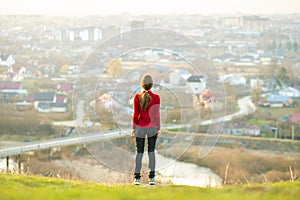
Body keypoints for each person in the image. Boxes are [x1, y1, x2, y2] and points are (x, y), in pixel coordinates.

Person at [131, 74, 161, 185]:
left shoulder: (137, 97)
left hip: (140, 128)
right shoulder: (156, 97)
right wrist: (159, 128)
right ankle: (152, 179)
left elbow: (135, 114)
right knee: (151, 153)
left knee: (139, 153)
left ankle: (137, 179)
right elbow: (157, 115)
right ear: (151, 84)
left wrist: (133, 128)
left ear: (142, 84)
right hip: (152, 128)